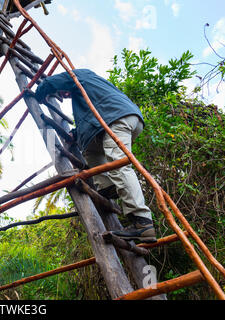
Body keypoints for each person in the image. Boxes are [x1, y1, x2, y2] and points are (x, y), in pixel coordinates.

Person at [34, 68, 157, 243]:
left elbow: (50, 83)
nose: (65, 94)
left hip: (116, 118)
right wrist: (76, 134)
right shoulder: (86, 93)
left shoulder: (78, 75)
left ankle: (143, 222)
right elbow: (91, 118)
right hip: (117, 119)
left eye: (63, 92)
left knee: (118, 165)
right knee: (90, 151)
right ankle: (107, 187)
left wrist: (40, 94)